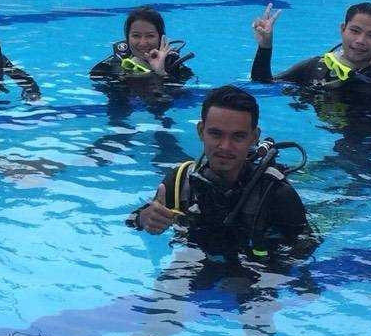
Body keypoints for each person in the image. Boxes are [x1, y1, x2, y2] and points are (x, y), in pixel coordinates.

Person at [128, 84, 318, 259]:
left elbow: (305, 247)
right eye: (216, 134)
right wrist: (144, 219)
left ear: (254, 137)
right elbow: (134, 220)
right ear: (201, 131)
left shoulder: (274, 192)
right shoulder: (182, 181)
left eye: (238, 136)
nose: (225, 147)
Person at [90, 6, 195, 86]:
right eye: (136, 36)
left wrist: (160, 73)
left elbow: (164, 107)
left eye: (150, 36)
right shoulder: (109, 66)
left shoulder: (176, 68)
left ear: (161, 38)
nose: (143, 43)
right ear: (127, 38)